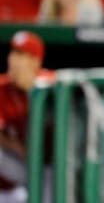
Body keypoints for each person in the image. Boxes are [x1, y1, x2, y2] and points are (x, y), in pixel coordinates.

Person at [0, 31, 54, 202]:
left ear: (36, 61)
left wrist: (30, 90)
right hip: (18, 162)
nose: (13, 59)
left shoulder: (52, 85)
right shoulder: (2, 87)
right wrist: (15, 146)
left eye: (21, 55)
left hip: (47, 167)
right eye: (13, 53)